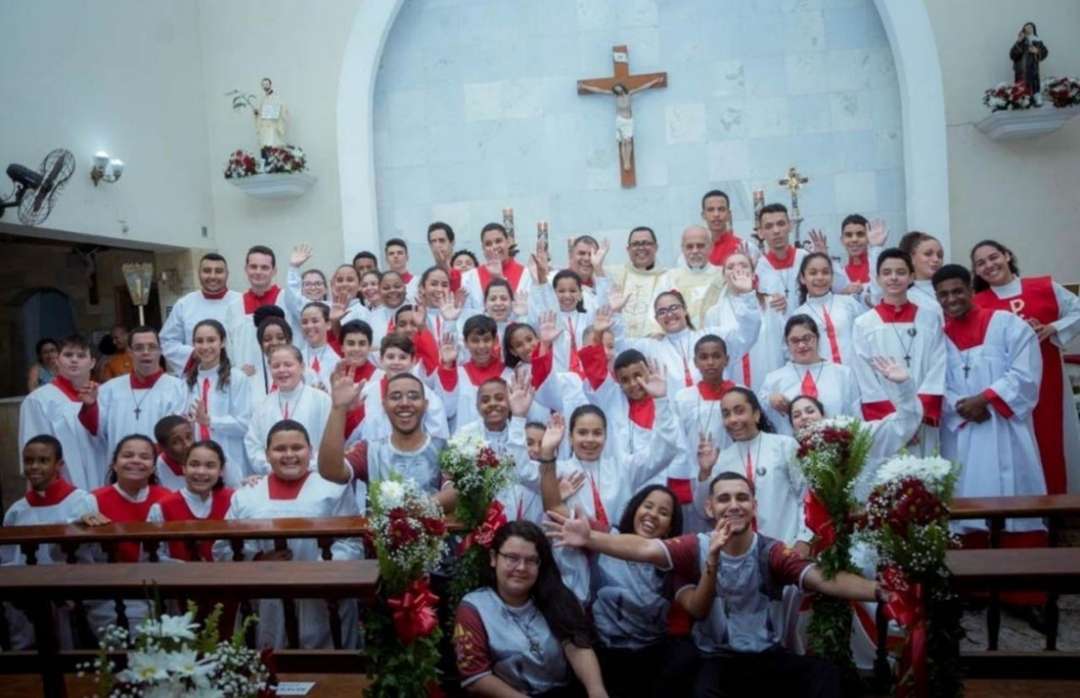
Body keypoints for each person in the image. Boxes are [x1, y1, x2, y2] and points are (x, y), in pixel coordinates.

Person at [544, 473, 882, 698]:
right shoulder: (694, 546)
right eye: (724, 499)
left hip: (765, 655)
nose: (733, 505)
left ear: (753, 506)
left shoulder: (772, 551)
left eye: (742, 497)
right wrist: (590, 538)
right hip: (714, 658)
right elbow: (646, 549)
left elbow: (822, 578)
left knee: (829, 677)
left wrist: (879, 591)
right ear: (709, 507)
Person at [216, 420, 362, 649]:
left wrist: (318, 572)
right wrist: (258, 560)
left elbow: (351, 542)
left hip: (322, 598)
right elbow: (223, 547)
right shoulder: (246, 496)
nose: (289, 455)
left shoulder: (333, 489)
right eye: (280, 449)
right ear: (267, 454)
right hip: (267, 597)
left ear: (310, 451)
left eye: (297, 447)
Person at [933, 264, 1047, 544]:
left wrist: (985, 399)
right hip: (964, 430)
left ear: (972, 290)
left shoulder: (1007, 324)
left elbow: (1026, 373)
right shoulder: (939, 339)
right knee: (965, 493)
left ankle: (1023, 557)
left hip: (1005, 427)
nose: (951, 299)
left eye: (958, 291)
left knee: (1014, 493)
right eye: (943, 295)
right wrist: (960, 406)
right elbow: (936, 383)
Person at [971, 239, 1080, 495]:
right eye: (981, 263)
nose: (989, 265)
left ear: (1007, 256)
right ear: (976, 271)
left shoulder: (1044, 287)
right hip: (1007, 389)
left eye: (994, 257)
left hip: (1049, 380)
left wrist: (1052, 328)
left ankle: (1060, 504)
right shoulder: (978, 303)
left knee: (1054, 441)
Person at [453, 521, 608, 698]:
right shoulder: (474, 607)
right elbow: (476, 679)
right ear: (494, 558)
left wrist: (596, 690)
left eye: (531, 560)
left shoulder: (556, 597)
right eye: (512, 558)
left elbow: (578, 646)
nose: (521, 567)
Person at [577, 485, 694, 698]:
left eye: (663, 512)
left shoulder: (673, 559)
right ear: (634, 509)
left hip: (653, 659)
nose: (653, 514)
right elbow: (557, 510)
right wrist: (549, 468)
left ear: (670, 527)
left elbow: (693, 610)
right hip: (603, 654)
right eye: (647, 506)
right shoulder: (605, 536)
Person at [2, 436, 96, 649]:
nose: (34, 467)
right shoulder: (17, 510)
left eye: (43, 460)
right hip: (27, 594)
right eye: (28, 461)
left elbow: (90, 551)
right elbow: (8, 558)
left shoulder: (81, 501)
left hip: (69, 591)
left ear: (59, 464)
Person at [613, 263, 760, 397]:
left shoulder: (711, 337)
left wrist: (746, 296)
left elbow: (746, 335)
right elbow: (619, 347)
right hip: (672, 414)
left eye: (674, 308)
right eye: (662, 312)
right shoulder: (651, 346)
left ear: (685, 310)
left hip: (715, 408)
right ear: (657, 319)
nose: (669, 314)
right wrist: (616, 314)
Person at [788, 356, 923, 500]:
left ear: (824, 415)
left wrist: (904, 386)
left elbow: (900, 426)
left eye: (810, 411)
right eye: (796, 415)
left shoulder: (850, 433)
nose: (804, 417)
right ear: (792, 426)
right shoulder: (789, 454)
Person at [851, 249, 945, 456]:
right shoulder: (864, 323)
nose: (893, 277)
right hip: (888, 422)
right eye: (887, 272)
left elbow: (938, 367)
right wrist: (899, 426)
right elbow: (865, 378)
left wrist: (917, 417)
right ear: (878, 278)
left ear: (911, 277)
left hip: (923, 419)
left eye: (901, 272)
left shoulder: (930, 319)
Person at [696, 388, 809, 550]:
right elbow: (705, 511)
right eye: (726, 414)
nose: (732, 419)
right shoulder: (722, 459)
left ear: (756, 414)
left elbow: (806, 497)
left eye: (739, 411)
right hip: (741, 552)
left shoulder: (785, 445)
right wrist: (705, 471)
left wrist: (804, 539)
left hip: (787, 547)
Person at [83, 434, 172, 634]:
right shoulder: (92, 500)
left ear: (153, 467)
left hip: (160, 587)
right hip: (110, 590)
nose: (136, 461)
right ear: (114, 464)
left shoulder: (167, 499)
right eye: (128, 455)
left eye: (144, 457)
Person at [18, 334, 107, 491]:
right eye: (68, 355)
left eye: (81, 355)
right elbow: (34, 456)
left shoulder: (107, 395)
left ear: (92, 362)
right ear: (57, 361)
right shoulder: (39, 400)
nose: (74, 360)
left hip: (105, 485)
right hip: (62, 491)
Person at [759, 315, 861, 437]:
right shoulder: (773, 379)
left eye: (807, 338)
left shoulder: (843, 374)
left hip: (838, 444)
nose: (801, 345)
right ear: (787, 343)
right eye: (795, 340)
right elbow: (760, 416)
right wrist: (769, 400)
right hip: (790, 446)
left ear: (817, 338)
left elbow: (856, 417)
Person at [94, 326, 186, 460]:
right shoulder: (109, 390)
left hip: (161, 466)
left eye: (152, 347)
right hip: (120, 467)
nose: (146, 352)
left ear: (160, 351)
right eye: (139, 348)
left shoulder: (179, 388)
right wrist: (89, 407)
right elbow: (96, 431)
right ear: (129, 352)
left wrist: (145, 457)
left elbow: (176, 435)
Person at [183, 320, 252, 486]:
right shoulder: (187, 381)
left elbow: (245, 425)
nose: (205, 346)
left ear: (222, 342)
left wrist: (209, 421)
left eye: (211, 340)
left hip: (231, 460)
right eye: (199, 341)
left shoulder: (236, 378)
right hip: (199, 465)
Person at [245, 345, 331, 476]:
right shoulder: (263, 405)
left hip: (315, 475)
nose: (282, 370)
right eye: (276, 366)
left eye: (288, 364)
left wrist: (305, 468)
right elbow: (253, 444)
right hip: (273, 476)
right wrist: (273, 468)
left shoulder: (322, 400)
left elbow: (331, 443)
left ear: (302, 367)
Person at [147, 439, 235, 562]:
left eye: (210, 466)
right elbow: (151, 556)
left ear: (221, 470)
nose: (201, 472)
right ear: (184, 468)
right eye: (194, 464)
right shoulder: (162, 507)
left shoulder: (233, 501)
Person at [705, 252, 780, 392]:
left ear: (753, 275)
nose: (737, 269)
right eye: (730, 267)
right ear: (723, 276)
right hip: (733, 382)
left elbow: (783, 344)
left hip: (767, 379)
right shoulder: (714, 313)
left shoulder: (771, 304)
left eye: (744, 265)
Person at [160, 253, 243, 373]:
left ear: (227, 274)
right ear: (199, 273)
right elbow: (167, 341)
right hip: (197, 374)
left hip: (236, 373)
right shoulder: (184, 304)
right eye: (207, 271)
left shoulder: (242, 302)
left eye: (218, 271)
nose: (213, 276)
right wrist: (195, 353)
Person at [793, 253, 868, 365]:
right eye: (813, 273)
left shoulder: (849, 303)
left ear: (832, 277)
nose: (820, 277)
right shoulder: (798, 316)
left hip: (855, 372)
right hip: (821, 374)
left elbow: (866, 337)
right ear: (802, 278)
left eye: (825, 272)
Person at [436, 315, 507, 430]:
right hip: (465, 439)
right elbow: (448, 410)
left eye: (486, 340)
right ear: (465, 342)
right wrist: (448, 367)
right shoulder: (457, 373)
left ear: (495, 340)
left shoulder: (509, 374)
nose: (481, 346)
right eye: (475, 341)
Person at [657, 226, 727, 329]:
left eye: (700, 246)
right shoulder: (669, 278)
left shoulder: (724, 276)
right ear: (682, 249)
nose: (695, 251)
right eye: (689, 247)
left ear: (711, 247)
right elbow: (658, 312)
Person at [607, 226, 666, 338]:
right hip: (619, 342)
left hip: (654, 342)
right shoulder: (615, 275)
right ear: (628, 249)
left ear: (656, 247)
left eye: (646, 243)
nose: (641, 248)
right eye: (636, 244)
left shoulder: (667, 278)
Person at [462, 223, 531, 312]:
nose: (494, 247)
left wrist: (500, 277)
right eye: (488, 244)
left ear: (508, 242)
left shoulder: (527, 275)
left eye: (498, 241)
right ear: (483, 248)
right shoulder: (469, 278)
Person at [836, 215, 888, 303]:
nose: (854, 239)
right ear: (842, 240)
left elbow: (881, 300)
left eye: (860, 234)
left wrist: (876, 248)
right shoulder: (839, 275)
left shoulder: (884, 270)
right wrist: (842, 294)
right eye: (849, 235)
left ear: (869, 237)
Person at [897, 231, 944, 315]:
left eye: (940, 255)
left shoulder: (950, 288)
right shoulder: (905, 296)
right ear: (911, 258)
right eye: (928, 254)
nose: (936, 259)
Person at [299, 302, 340, 389]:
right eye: (304, 322)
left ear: (328, 324)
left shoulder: (338, 355)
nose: (309, 326)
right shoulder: (296, 357)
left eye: (315, 321)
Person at [701, 189, 742, 267]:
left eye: (721, 209)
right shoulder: (695, 250)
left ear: (729, 214)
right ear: (703, 215)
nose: (716, 214)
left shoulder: (743, 247)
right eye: (710, 210)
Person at [1011, 22, 1048, 105]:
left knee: (1034, 84)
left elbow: (1044, 52)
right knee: (1021, 85)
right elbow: (1012, 55)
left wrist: (1037, 51)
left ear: (1033, 29)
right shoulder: (1020, 41)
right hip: (1020, 70)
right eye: (1026, 27)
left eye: (1030, 27)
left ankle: (1035, 97)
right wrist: (1019, 42)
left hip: (1033, 69)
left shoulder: (1037, 41)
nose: (1028, 29)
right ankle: (1022, 99)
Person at [153, 415, 194, 491]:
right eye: (176, 442)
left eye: (188, 437)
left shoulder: (206, 460)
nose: (187, 445)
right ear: (162, 447)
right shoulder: (155, 473)